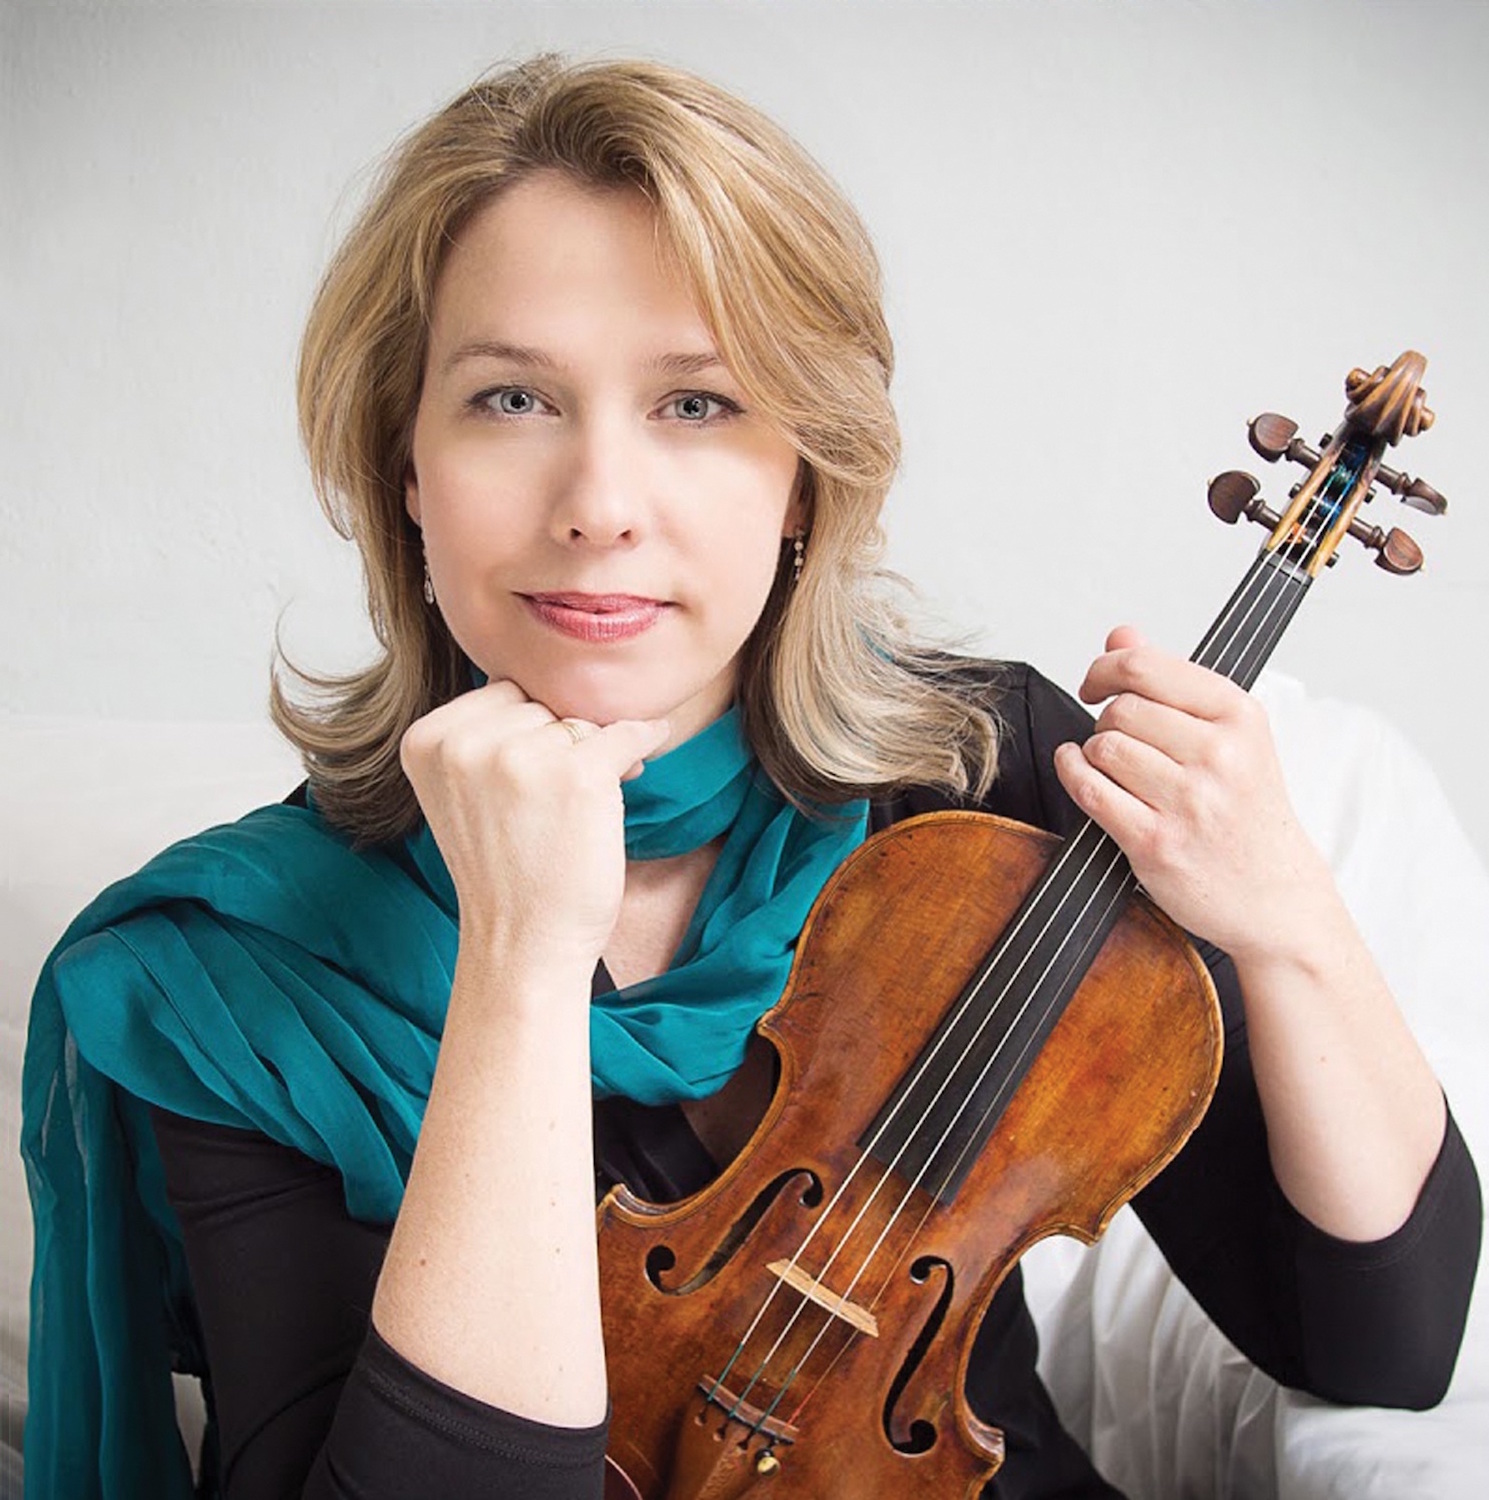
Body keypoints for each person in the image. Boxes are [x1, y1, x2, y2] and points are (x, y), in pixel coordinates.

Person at [20, 53, 1480, 1500]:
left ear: (804, 478)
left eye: (697, 405)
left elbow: (1377, 1351)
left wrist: (1289, 919)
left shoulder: (989, 790)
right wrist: (519, 973)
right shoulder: (241, 980)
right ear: (405, 465)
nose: (599, 505)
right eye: (510, 401)